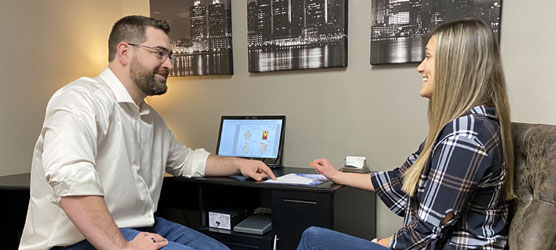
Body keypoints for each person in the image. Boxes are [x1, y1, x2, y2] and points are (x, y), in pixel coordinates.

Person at [19, 15, 276, 250]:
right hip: (75, 240)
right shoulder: (80, 100)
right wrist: (123, 247)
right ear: (124, 52)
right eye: (159, 53)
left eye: (170, 56)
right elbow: (71, 179)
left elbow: (186, 161)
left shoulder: (151, 118)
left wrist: (240, 163)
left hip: (141, 225)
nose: (169, 65)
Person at [297, 19, 514, 250]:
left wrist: (379, 242)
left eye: (429, 57)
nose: (420, 67)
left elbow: (425, 234)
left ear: (456, 65)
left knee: (314, 239)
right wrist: (337, 175)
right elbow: (401, 180)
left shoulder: (465, 137)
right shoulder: (458, 128)